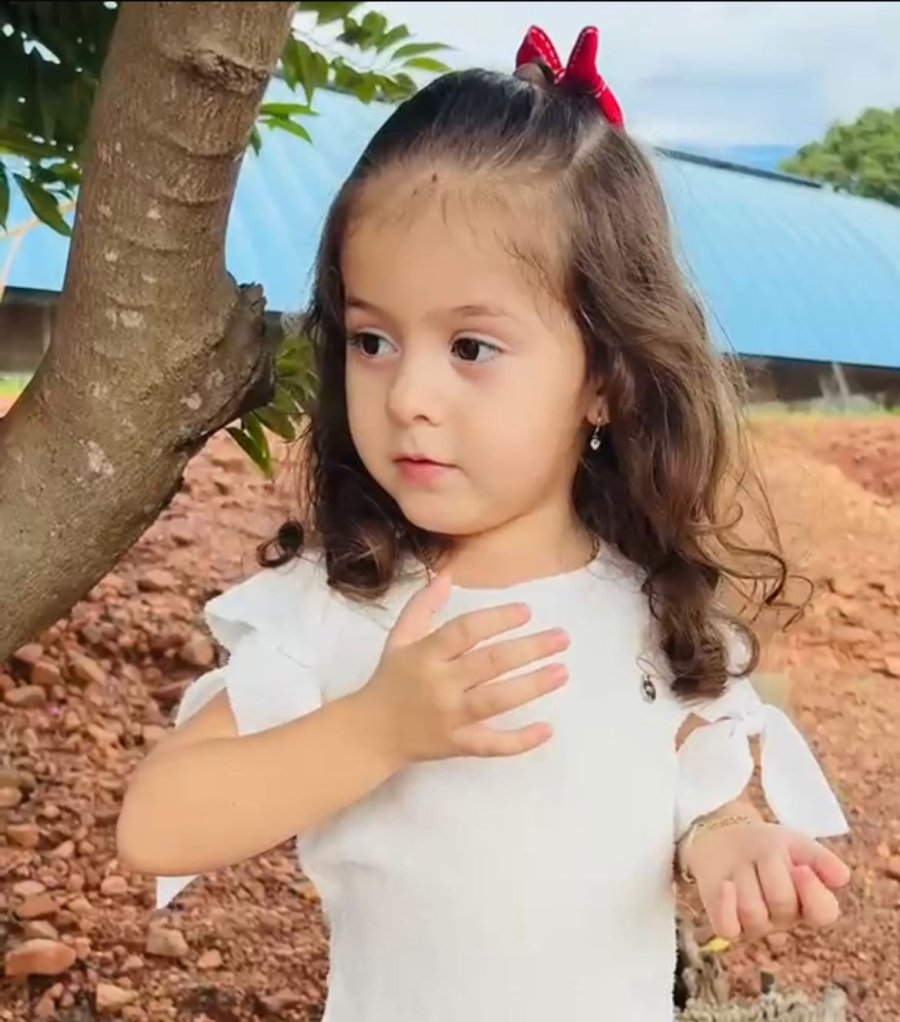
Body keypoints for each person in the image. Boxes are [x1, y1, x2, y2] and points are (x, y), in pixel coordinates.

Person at [117, 25, 851, 1021]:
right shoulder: (345, 604)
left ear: (605, 376)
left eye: (470, 347)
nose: (408, 395)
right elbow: (156, 823)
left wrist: (726, 838)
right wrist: (375, 726)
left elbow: (684, 785)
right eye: (372, 339)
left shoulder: (647, 606)